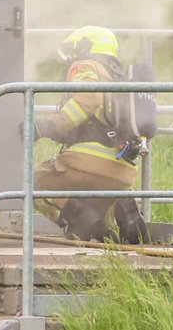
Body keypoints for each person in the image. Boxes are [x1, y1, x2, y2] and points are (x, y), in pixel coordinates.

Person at [32, 26, 147, 244]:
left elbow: (88, 97)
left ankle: (84, 222)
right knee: (96, 195)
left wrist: (48, 126)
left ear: (86, 46)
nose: (71, 56)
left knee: (29, 183)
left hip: (88, 160)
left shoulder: (85, 65)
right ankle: (120, 206)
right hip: (123, 168)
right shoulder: (118, 76)